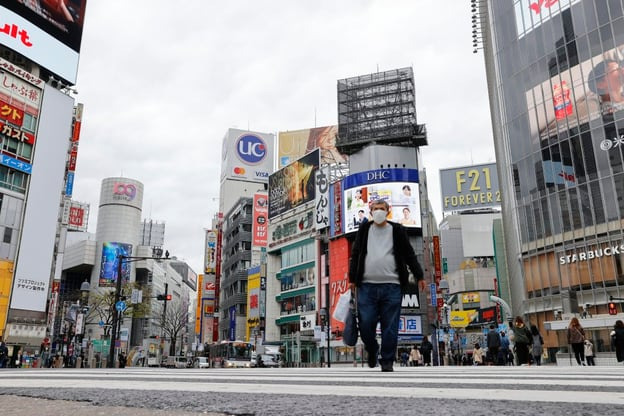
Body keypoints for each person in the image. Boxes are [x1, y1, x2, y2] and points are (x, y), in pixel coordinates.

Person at [349, 199, 425, 372]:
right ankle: (373, 348)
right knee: (366, 323)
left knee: (390, 326)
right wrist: (352, 279)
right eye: (375, 209)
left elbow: (409, 254)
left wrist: (419, 275)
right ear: (370, 212)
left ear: (388, 211)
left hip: (392, 285)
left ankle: (387, 360)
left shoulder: (397, 230)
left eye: (381, 209)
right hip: (366, 285)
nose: (378, 212)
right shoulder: (364, 229)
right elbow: (355, 253)